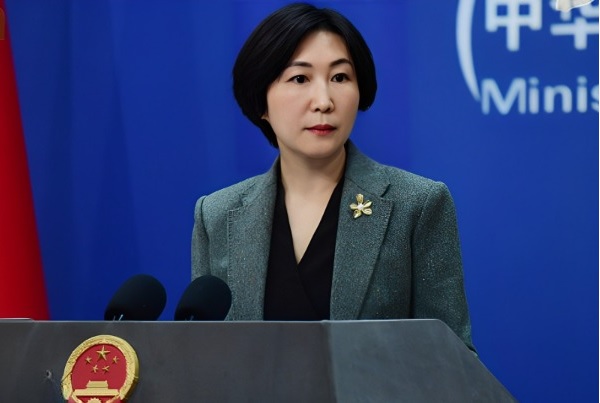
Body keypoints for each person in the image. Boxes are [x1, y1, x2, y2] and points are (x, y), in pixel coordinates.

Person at [191, 2, 475, 352]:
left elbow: (452, 361)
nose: (324, 101)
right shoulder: (217, 216)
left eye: (340, 77)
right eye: (300, 78)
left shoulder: (416, 205)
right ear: (261, 100)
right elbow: (206, 357)